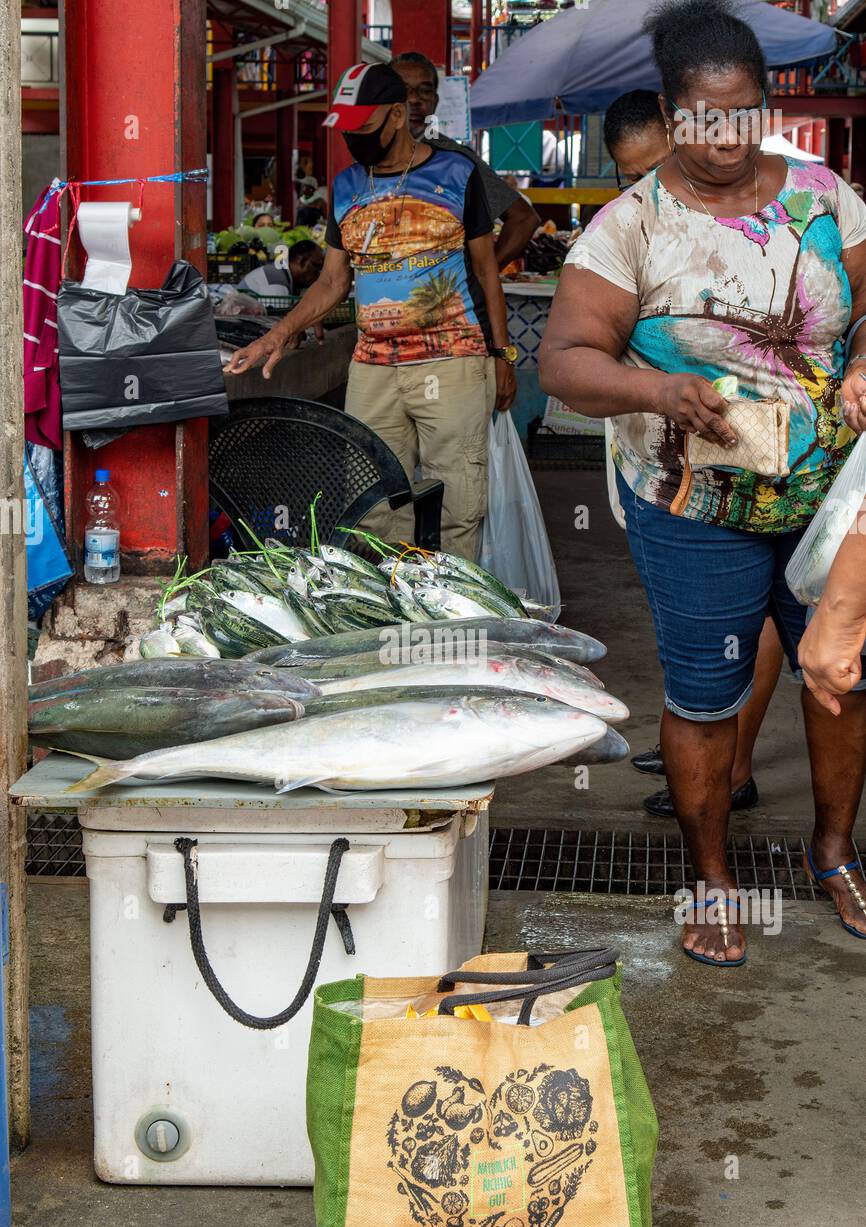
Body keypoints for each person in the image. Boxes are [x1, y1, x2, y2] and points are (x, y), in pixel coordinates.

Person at [540, 0, 866, 966]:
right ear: (675, 113)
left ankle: (836, 852)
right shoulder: (629, 226)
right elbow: (563, 358)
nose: (723, 139)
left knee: (845, 676)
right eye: (702, 118)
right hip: (696, 505)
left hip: (827, 502)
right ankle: (712, 879)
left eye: (742, 115)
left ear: (763, 107)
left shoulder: (824, 196)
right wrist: (655, 388)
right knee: (705, 694)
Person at [225, 62, 517, 561]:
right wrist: (279, 332)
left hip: (452, 360)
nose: (353, 140)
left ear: (399, 115)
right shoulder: (345, 187)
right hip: (372, 367)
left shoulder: (457, 172)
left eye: (363, 127)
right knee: (374, 507)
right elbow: (333, 281)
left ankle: (449, 621)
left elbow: (487, 270)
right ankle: (390, 614)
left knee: (459, 501)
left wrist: (502, 353)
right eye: (346, 130)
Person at [603, 87, 785, 816]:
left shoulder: (758, 220)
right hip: (655, 443)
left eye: (658, 170)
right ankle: (699, 737)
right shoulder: (632, 224)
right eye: (630, 176)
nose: (651, 191)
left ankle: (732, 764)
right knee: (695, 611)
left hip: (745, 441)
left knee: (761, 605)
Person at [391, 51, 541, 269]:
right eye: (403, 91)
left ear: (435, 100)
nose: (414, 99)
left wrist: (479, 280)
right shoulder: (369, 157)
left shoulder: (456, 159)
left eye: (425, 91)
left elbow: (523, 219)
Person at [239, 239, 324, 297]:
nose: (319, 274)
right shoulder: (276, 280)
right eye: (316, 266)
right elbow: (278, 319)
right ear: (301, 261)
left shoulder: (286, 276)